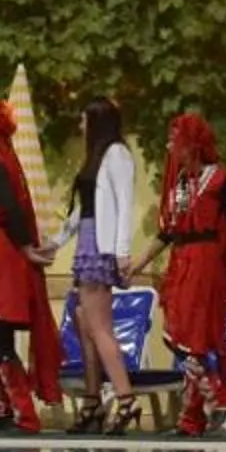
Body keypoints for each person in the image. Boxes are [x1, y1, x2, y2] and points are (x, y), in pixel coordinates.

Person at [0, 100, 64, 433]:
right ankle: (6, 404)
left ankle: (23, 413)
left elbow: (11, 211)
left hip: (3, 258)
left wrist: (26, 249)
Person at [142, 112, 226, 437]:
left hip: (206, 263)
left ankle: (211, 405)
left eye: (175, 139)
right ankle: (203, 410)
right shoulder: (184, 182)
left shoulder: (220, 180)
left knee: (194, 340)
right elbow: (173, 229)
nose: (170, 145)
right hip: (182, 262)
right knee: (180, 338)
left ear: (191, 143)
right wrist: (139, 264)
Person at [64, 99, 143, 433]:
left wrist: (122, 251)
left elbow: (125, 204)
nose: (81, 127)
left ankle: (126, 399)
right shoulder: (95, 159)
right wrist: (54, 241)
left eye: (84, 120)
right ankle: (92, 400)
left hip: (101, 245)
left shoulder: (116, 155)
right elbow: (81, 211)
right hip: (87, 239)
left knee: (98, 326)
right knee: (83, 321)